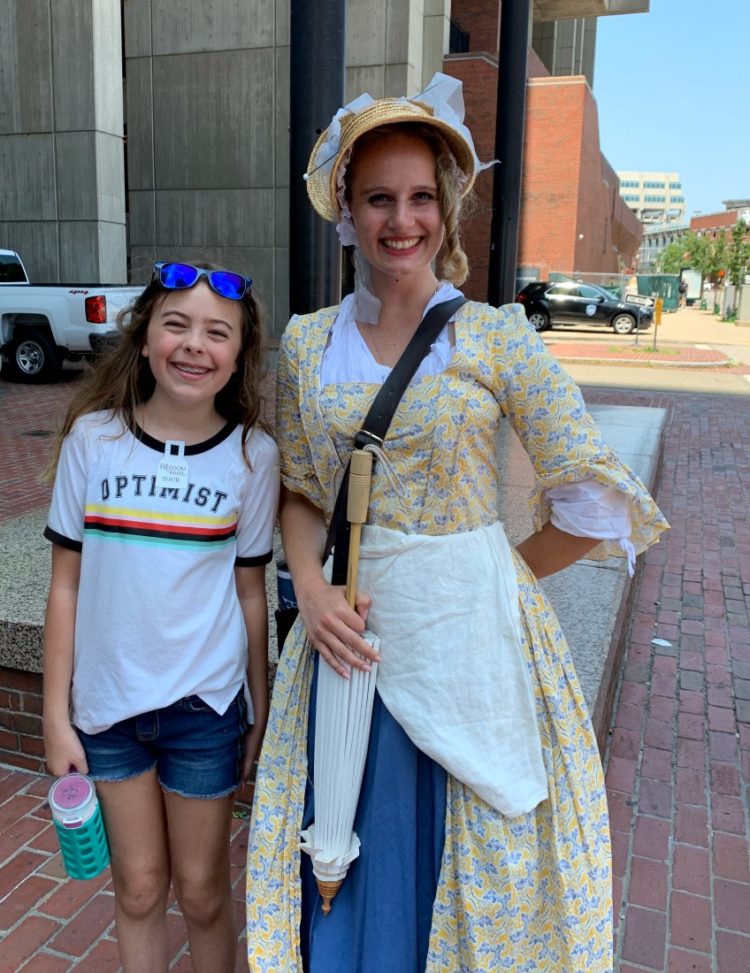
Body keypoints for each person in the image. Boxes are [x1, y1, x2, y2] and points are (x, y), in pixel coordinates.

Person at [246, 73, 668, 972]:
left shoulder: (493, 336)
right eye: (380, 199)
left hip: (470, 639)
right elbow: (300, 489)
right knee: (346, 845)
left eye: (421, 198)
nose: (403, 221)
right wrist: (310, 587)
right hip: (347, 641)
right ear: (348, 212)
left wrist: (498, 572)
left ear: (447, 207)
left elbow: (592, 499)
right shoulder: (308, 341)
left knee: (459, 850)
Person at [42, 261, 279, 972]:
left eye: (217, 332)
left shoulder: (251, 455)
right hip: (108, 711)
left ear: (238, 355)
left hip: (203, 709)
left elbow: (250, 593)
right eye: (176, 324)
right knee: (139, 887)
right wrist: (57, 714)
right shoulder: (94, 440)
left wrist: (257, 707)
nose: (193, 344)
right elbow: (66, 588)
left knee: (204, 892)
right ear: (144, 336)